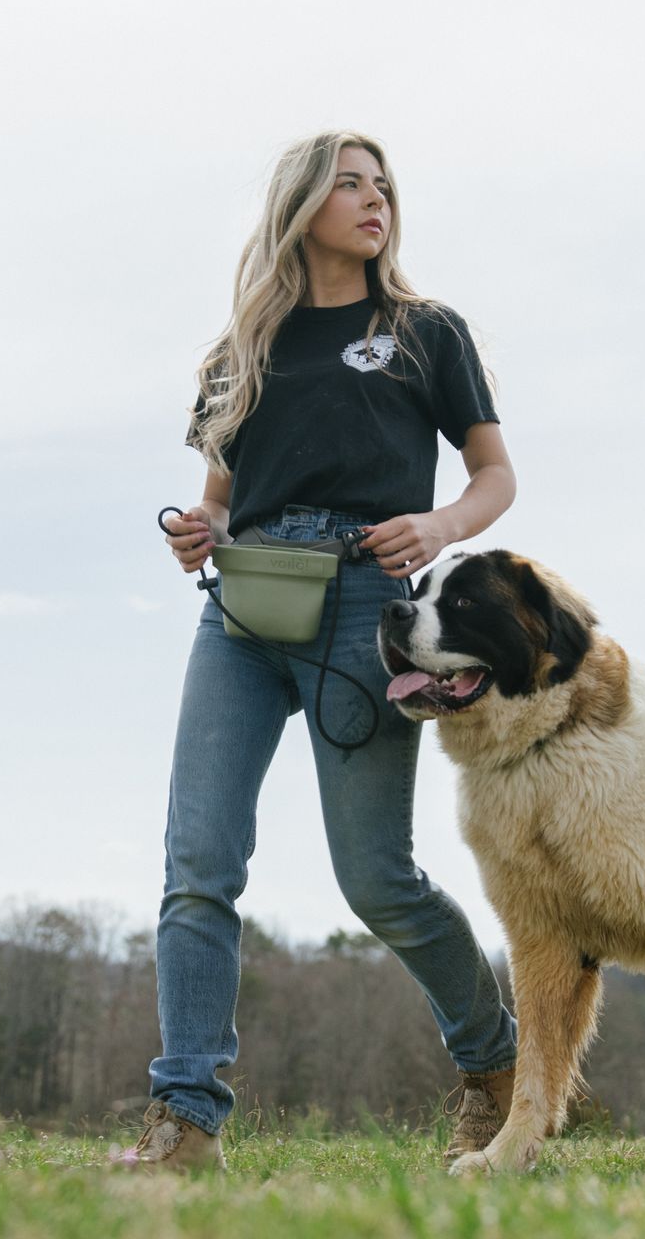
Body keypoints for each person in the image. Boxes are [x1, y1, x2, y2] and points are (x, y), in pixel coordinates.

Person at [119, 131, 521, 1174]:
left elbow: (493, 477)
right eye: (350, 183)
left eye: (384, 185)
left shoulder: (426, 332)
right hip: (244, 614)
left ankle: (499, 1067)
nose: (374, 199)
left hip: (364, 610)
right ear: (301, 203)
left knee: (377, 878)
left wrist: (436, 529)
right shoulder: (234, 353)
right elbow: (215, 502)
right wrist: (195, 535)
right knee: (197, 866)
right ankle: (185, 1119)